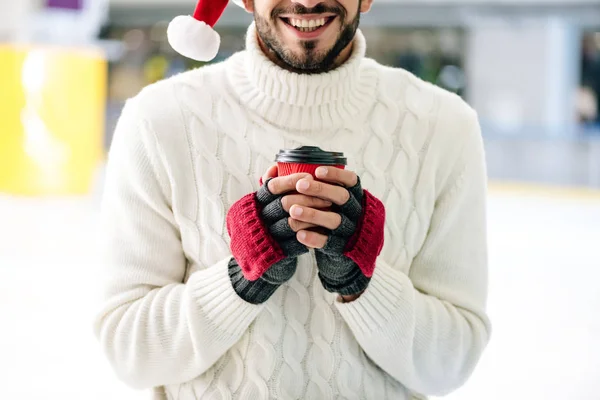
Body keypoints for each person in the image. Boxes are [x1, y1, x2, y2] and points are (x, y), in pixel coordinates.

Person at [93, 0, 492, 398]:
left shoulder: (445, 128)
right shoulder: (159, 121)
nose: (306, 1)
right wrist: (241, 281)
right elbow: (130, 354)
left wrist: (363, 284)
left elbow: (452, 363)